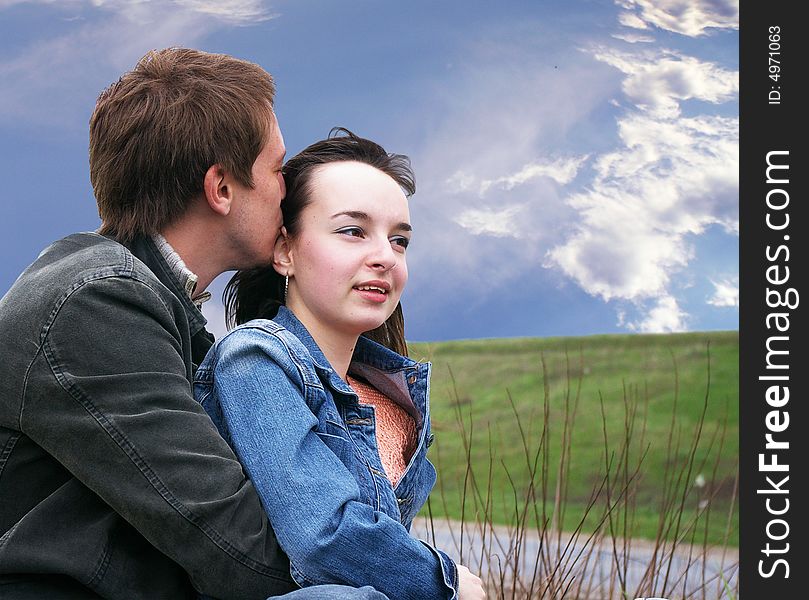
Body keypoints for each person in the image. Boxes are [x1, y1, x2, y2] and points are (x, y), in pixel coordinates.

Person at [0, 48, 384, 600]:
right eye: (278, 169)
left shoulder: (163, 310)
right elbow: (235, 549)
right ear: (221, 188)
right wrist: (415, 578)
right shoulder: (96, 304)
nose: (288, 188)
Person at [193, 129, 487, 600]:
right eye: (353, 231)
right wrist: (445, 582)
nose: (384, 257)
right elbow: (322, 537)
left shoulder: (393, 401)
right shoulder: (256, 357)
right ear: (286, 251)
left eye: (400, 241)